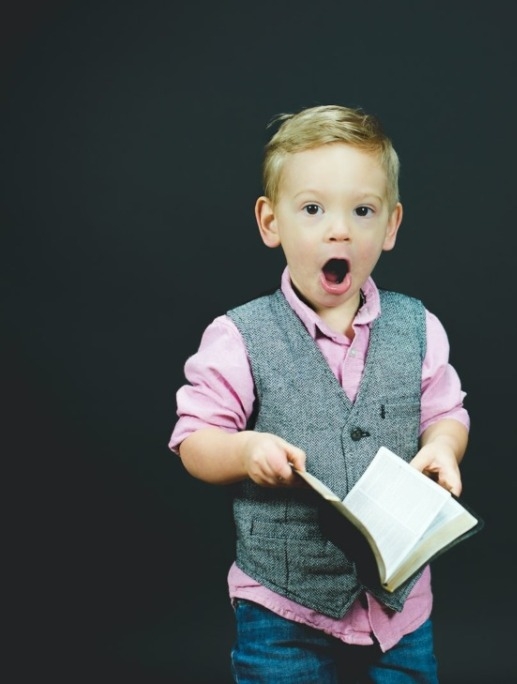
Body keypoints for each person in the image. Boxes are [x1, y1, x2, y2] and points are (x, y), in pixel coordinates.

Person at [168, 104, 470, 683]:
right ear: (270, 222)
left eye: (362, 210)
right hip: (283, 606)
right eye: (312, 209)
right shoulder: (239, 336)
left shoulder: (419, 326)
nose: (340, 229)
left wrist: (444, 447)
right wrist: (244, 451)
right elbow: (193, 440)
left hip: (398, 608)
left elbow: (446, 410)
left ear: (391, 225)